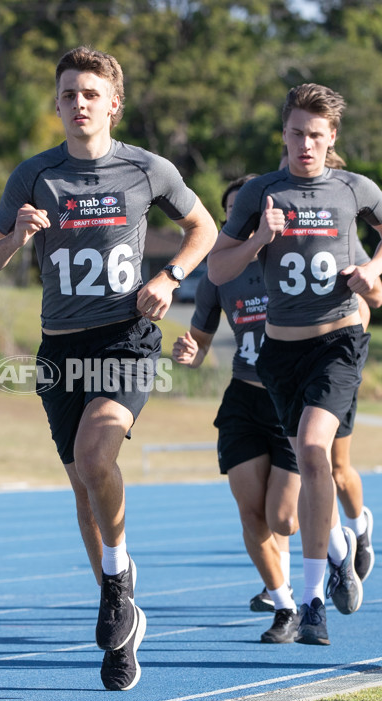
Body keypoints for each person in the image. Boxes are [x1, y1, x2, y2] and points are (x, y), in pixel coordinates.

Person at [0, 46, 218, 689]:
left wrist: (170, 276)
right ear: (56, 105)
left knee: (97, 456)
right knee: (84, 483)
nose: (78, 104)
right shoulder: (34, 175)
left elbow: (204, 228)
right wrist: (15, 238)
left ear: (113, 103)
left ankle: (118, 580)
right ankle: (119, 605)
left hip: (128, 340)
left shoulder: (147, 168)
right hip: (60, 350)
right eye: (67, 94)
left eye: (89, 93)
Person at [208, 83, 382, 646]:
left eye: (315, 134)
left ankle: (310, 603)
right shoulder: (261, 191)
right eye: (295, 133)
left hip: (338, 342)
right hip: (277, 353)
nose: (305, 143)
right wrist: (258, 237)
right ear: (282, 135)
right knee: (305, 468)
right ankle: (336, 559)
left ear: (332, 138)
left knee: (313, 449)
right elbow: (215, 270)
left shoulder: (355, 189)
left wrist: (374, 272)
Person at [173, 175, 302, 644]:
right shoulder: (217, 277)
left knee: (284, 519)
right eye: (232, 215)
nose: (240, 222)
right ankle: (285, 605)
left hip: (292, 399)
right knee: (253, 516)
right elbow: (201, 343)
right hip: (243, 399)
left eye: (248, 214)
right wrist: (189, 352)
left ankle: (336, 542)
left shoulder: (293, 256)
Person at [278, 146, 376, 584]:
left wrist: (366, 284)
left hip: (338, 357)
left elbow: (373, 298)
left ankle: (359, 528)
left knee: (335, 465)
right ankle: (334, 551)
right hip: (287, 359)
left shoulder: (342, 226)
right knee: (310, 460)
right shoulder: (271, 221)